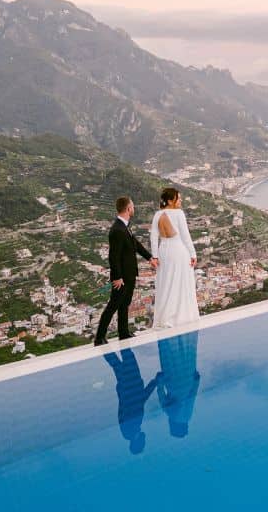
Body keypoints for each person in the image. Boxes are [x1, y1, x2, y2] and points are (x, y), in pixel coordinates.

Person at [95, 197, 157, 344]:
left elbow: (135, 244)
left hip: (129, 274)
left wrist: (149, 258)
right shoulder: (117, 229)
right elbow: (113, 256)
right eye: (133, 207)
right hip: (122, 276)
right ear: (128, 209)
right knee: (113, 305)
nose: (134, 209)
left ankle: (123, 333)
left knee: (124, 304)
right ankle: (99, 337)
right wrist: (117, 277)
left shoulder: (124, 227)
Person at [150, 188, 200, 329]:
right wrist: (193, 254)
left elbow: (153, 237)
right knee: (180, 282)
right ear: (171, 200)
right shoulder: (178, 214)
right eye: (178, 198)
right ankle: (180, 318)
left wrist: (155, 256)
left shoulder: (157, 215)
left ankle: (166, 317)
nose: (181, 201)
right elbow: (185, 236)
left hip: (163, 251)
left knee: (166, 283)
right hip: (178, 251)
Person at [103, 349, 156, 454]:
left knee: (127, 356)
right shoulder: (128, 431)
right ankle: (101, 342)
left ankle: (115, 336)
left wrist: (155, 382)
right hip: (126, 388)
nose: (144, 439)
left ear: (138, 442)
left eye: (143, 442)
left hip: (131, 384)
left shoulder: (133, 427)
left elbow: (140, 400)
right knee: (116, 363)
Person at [156, 331, 201, 438]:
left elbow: (192, 397)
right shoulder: (171, 414)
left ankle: (182, 334)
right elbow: (162, 395)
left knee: (185, 352)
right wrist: (159, 382)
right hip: (173, 380)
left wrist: (196, 383)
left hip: (188, 379)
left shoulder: (188, 416)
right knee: (171, 353)